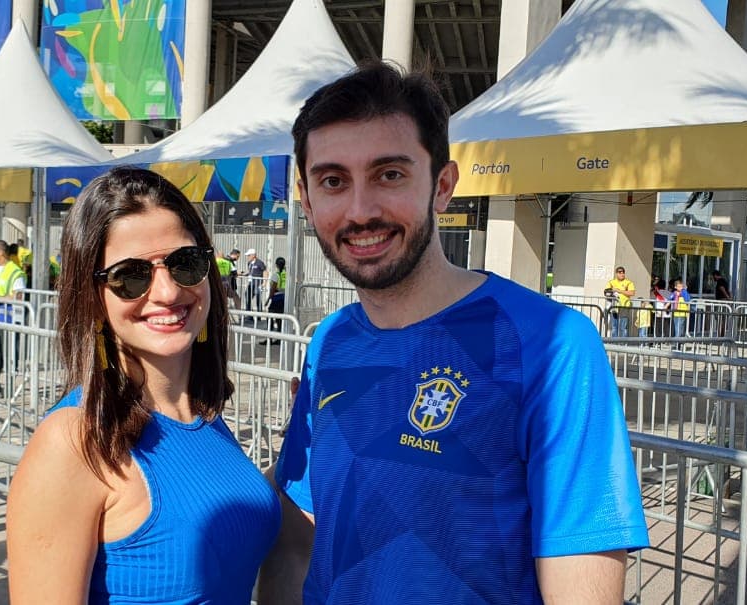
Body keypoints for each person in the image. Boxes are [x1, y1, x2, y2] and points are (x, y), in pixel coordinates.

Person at [263, 62, 648, 604]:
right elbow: (299, 539)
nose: (360, 210)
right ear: (307, 200)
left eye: (389, 174)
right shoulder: (329, 341)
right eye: (333, 181)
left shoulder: (553, 343)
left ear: (442, 187)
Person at [5, 167, 280, 604]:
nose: (168, 292)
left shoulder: (202, 415)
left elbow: (204, 502)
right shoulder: (74, 442)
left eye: (185, 264)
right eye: (131, 275)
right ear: (92, 296)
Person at [0, 240, 26, 386]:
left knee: (9, 354)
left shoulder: (16, 272)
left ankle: (8, 385)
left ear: (0, 252)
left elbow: (18, 297)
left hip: (9, 320)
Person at [606, 266, 636, 337]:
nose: (622, 274)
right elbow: (606, 292)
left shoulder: (628, 282)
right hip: (614, 307)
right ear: (616, 273)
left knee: (623, 327)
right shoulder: (611, 282)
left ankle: (623, 344)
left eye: (623, 272)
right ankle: (614, 343)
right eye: (620, 272)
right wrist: (611, 292)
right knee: (614, 327)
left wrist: (619, 291)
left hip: (624, 307)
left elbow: (632, 293)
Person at [266, 256, 287, 335]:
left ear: (276, 265)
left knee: (270, 315)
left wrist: (268, 299)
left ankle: (269, 336)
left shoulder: (276, 275)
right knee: (280, 318)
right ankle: (279, 337)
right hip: (284, 297)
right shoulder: (287, 274)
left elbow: (273, 288)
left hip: (277, 297)